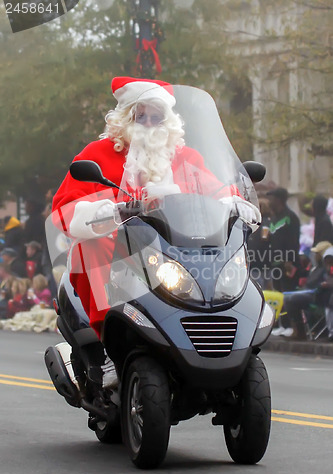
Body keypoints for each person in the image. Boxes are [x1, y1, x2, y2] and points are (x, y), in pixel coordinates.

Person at [52, 76, 261, 386]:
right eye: (141, 115)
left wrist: (234, 200)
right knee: (89, 246)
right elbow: (66, 210)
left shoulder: (185, 158)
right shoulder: (97, 154)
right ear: (126, 118)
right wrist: (109, 211)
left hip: (174, 252)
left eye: (156, 116)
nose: (149, 123)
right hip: (120, 256)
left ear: (168, 121)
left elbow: (215, 187)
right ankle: (105, 348)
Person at [267, 187, 300, 292]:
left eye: (271, 199)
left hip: (286, 265)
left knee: (286, 293)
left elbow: (294, 240)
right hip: (274, 265)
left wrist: (289, 260)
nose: (269, 202)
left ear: (278, 200)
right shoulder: (273, 218)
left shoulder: (290, 217)